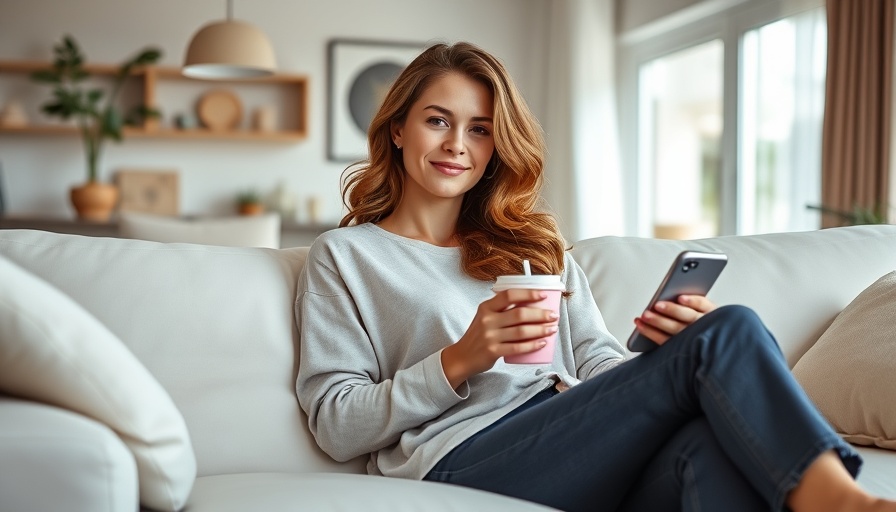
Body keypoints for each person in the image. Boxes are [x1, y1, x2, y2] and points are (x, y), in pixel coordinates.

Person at [295, 41, 896, 511]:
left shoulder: (534, 247)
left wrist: (660, 359)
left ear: (497, 146)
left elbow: (597, 361)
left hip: (573, 439)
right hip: (462, 460)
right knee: (731, 329)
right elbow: (336, 423)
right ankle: (844, 503)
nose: (458, 145)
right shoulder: (346, 256)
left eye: (479, 129)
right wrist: (460, 359)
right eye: (437, 120)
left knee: (709, 446)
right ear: (398, 128)